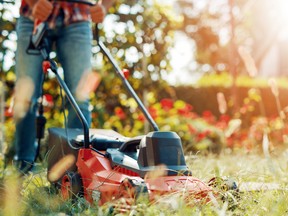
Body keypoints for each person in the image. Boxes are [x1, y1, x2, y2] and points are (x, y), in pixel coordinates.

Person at [13, 0, 114, 174]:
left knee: (79, 98)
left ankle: (78, 170)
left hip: (78, 17)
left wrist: (103, 7)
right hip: (33, 16)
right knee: (25, 97)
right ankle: (23, 168)